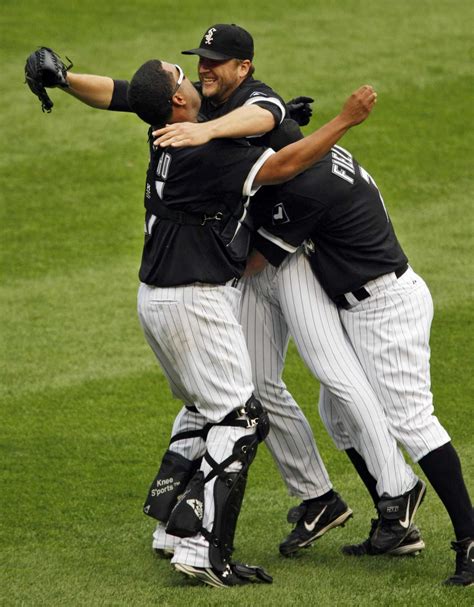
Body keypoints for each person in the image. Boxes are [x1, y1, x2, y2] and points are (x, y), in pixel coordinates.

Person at [125, 58, 380, 587]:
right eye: (181, 75)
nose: (192, 76)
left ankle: (172, 529)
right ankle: (202, 549)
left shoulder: (163, 133)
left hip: (157, 296)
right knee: (240, 421)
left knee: (203, 410)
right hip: (192, 300)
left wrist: (63, 80)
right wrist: (344, 121)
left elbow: (122, 93)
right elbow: (285, 168)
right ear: (176, 101)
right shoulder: (201, 151)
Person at [245, 142, 474, 586]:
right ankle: (396, 528)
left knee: (413, 421)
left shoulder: (309, 188)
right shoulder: (324, 156)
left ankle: (469, 539)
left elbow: (260, 260)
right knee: (339, 415)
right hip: (357, 305)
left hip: (386, 306)